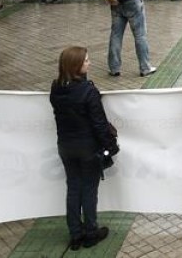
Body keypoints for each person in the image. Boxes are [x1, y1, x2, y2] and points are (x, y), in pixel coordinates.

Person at [49, 46, 115, 251]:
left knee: (73, 188)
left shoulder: (56, 88)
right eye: (86, 60)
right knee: (88, 190)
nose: (90, 63)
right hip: (87, 148)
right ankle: (91, 233)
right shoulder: (88, 91)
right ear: (76, 66)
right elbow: (99, 124)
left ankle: (75, 234)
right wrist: (111, 146)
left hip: (65, 147)